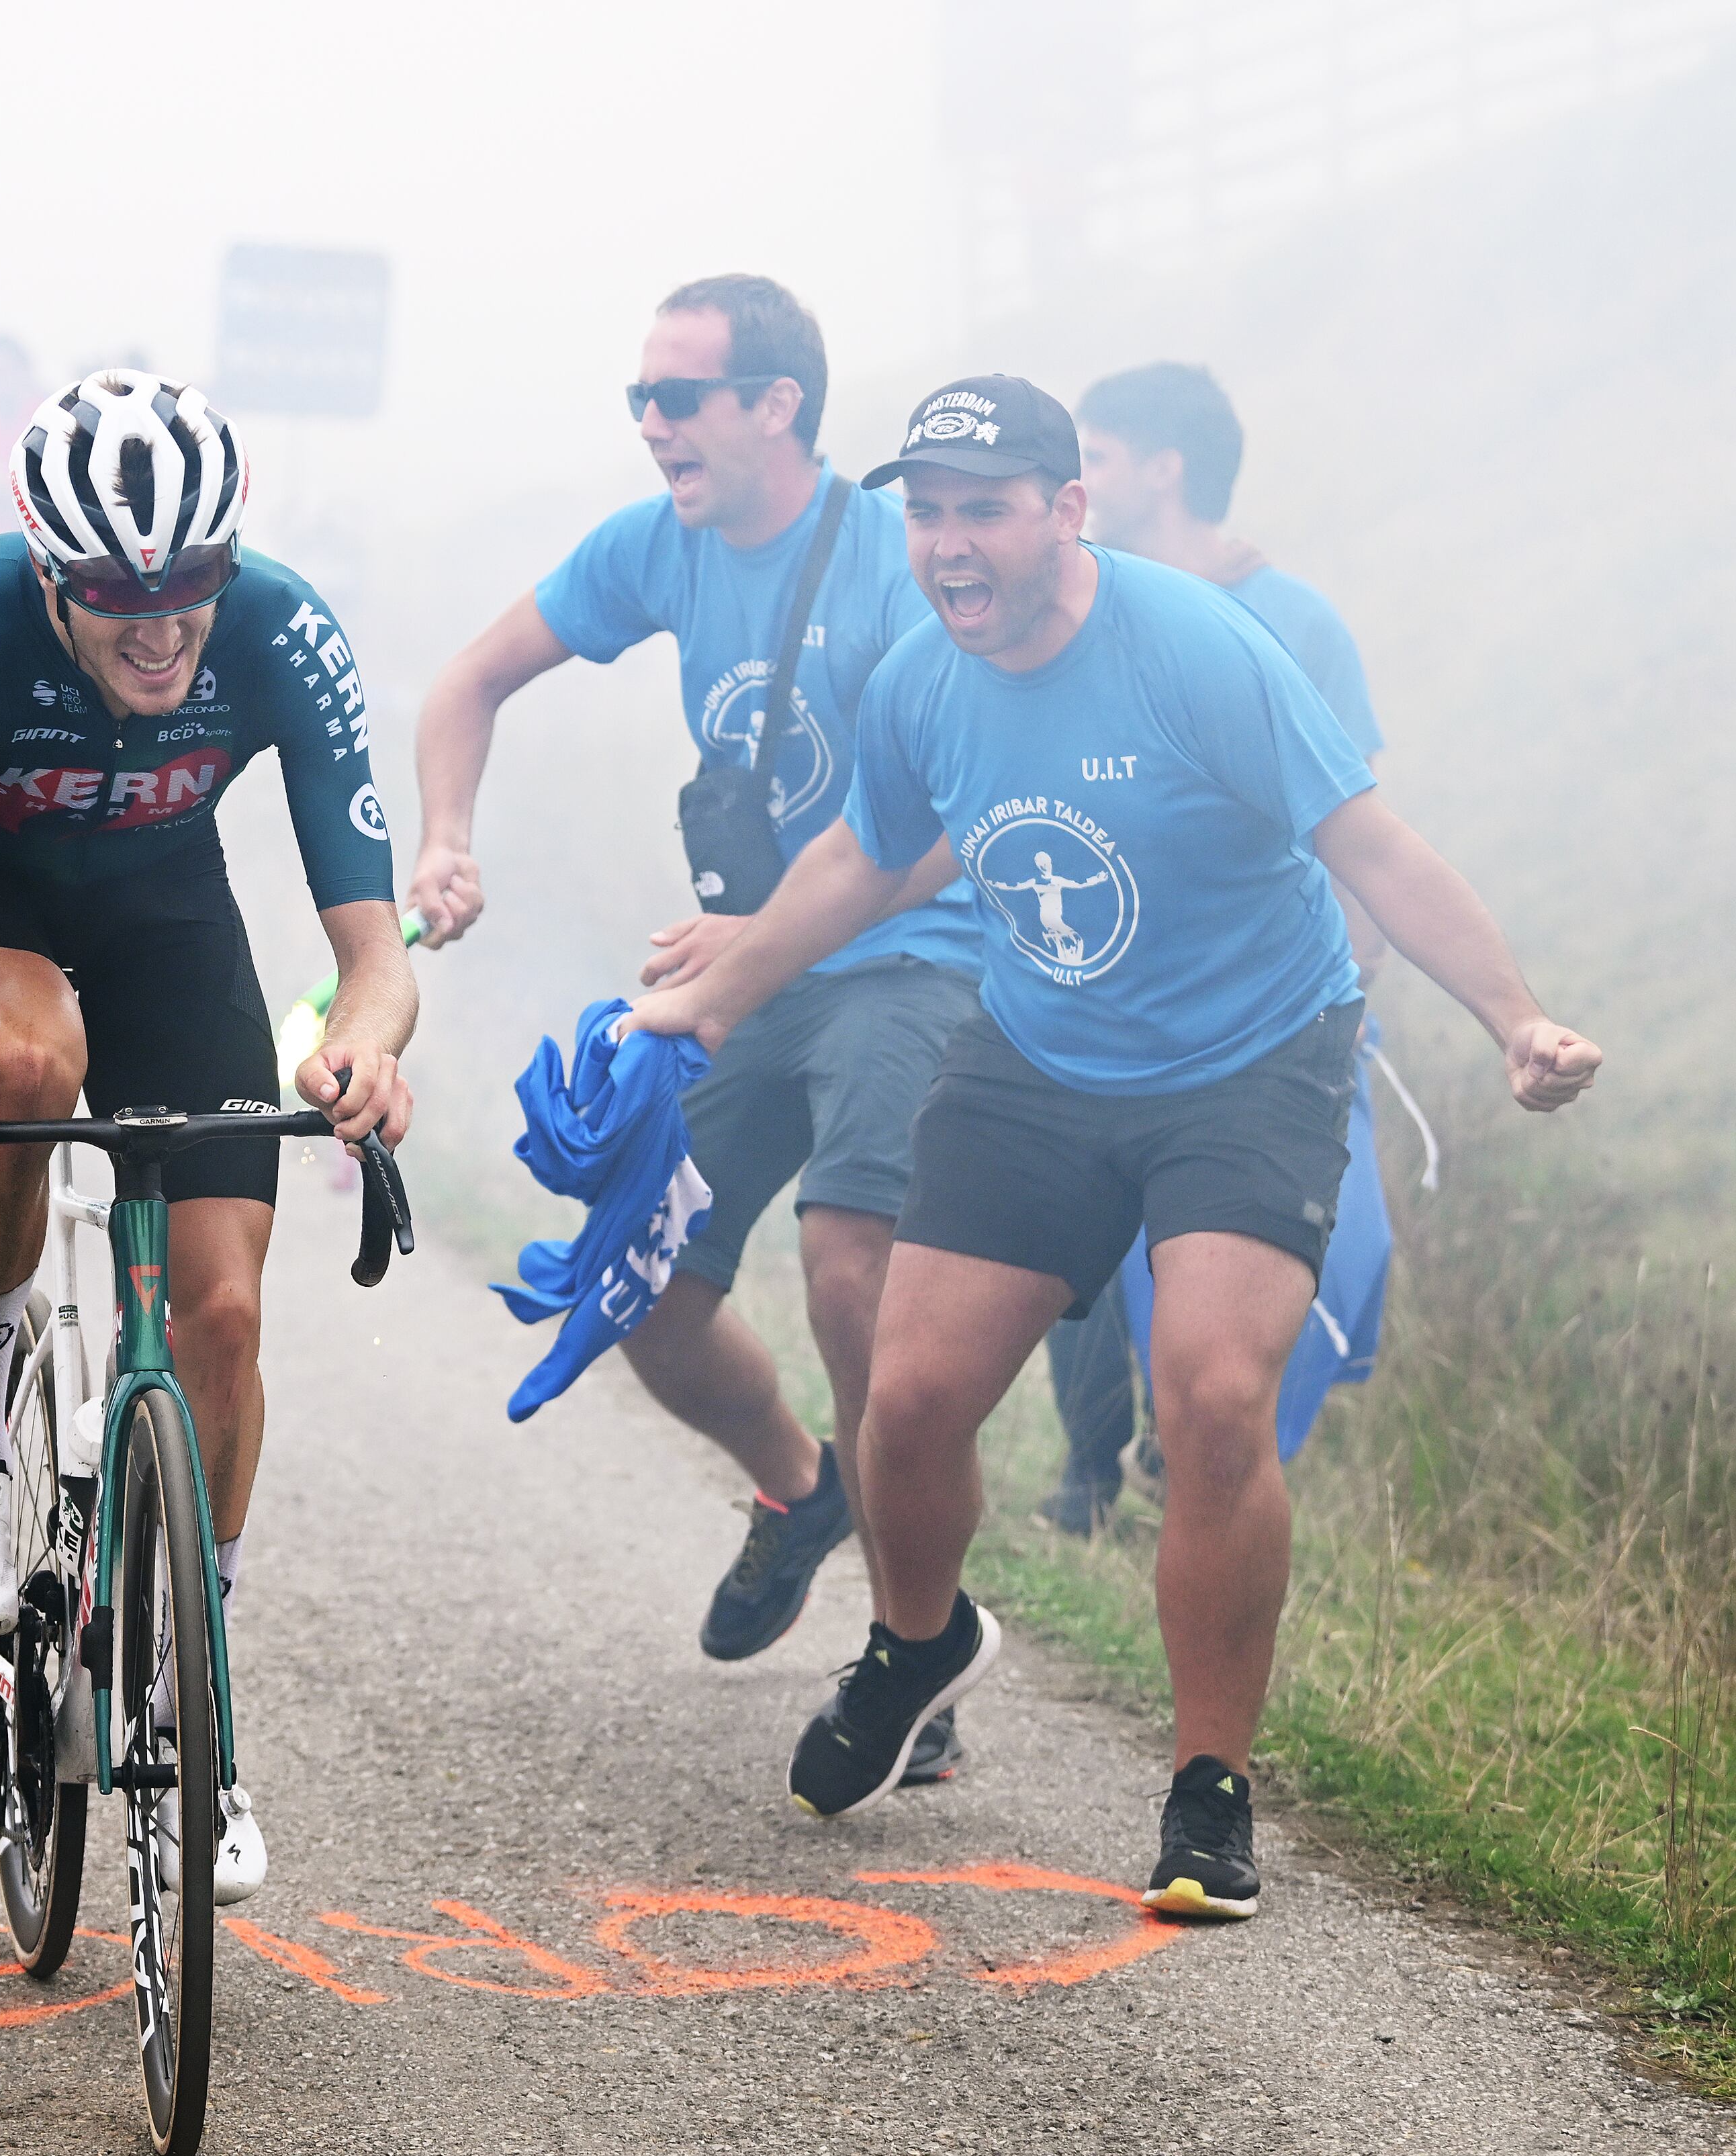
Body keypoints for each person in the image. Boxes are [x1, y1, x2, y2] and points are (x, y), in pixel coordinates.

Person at [622, 374, 1600, 1920]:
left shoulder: (1197, 647)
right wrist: (712, 997)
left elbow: (1369, 842)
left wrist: (1515, 1018)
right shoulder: (921, 680)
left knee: (1210, 1396)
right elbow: (862, 858)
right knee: (911, 1395)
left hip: (1249, 1060)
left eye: (984, 510)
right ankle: (917, 1642)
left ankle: (1208, 1789)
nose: (949, 544)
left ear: (1066, 510)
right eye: (926, 513)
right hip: (1037, 1058)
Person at [0, 369, 417, 1905]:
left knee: (221, 1312)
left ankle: (190, 1684)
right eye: (116, 594)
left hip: (172, 921)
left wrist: (364, 1042)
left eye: (192, 582)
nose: (163, 625)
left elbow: (373, 955)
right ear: (51, 576)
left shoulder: (281, 628)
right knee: (26, 1053)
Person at [406, 274, 981, 1763]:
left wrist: (774, 928)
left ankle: (909, 1649)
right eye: (639, 398)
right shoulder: (658, 545)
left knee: (850, 1268)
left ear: (777, 404)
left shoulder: (890, 559)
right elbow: (468, 681)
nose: (652, 423)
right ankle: (802, 1486)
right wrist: (447, 840)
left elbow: (968, 802)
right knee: (638, 1280)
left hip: (914, 956)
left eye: (678, 396)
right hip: (756, 973)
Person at [1043, 361, 1399, 1531]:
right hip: (1104, 993)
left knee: (1332, 1245)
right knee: (1085, 1240)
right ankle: (1094, 1468)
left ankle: (1201, 1458)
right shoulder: (1072, 603)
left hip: (1271, 1007)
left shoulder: (1297, 621)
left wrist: (1347, 996)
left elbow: (1358, 830)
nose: (1073, 484)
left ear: (1165, 468)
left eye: (1094, 457)